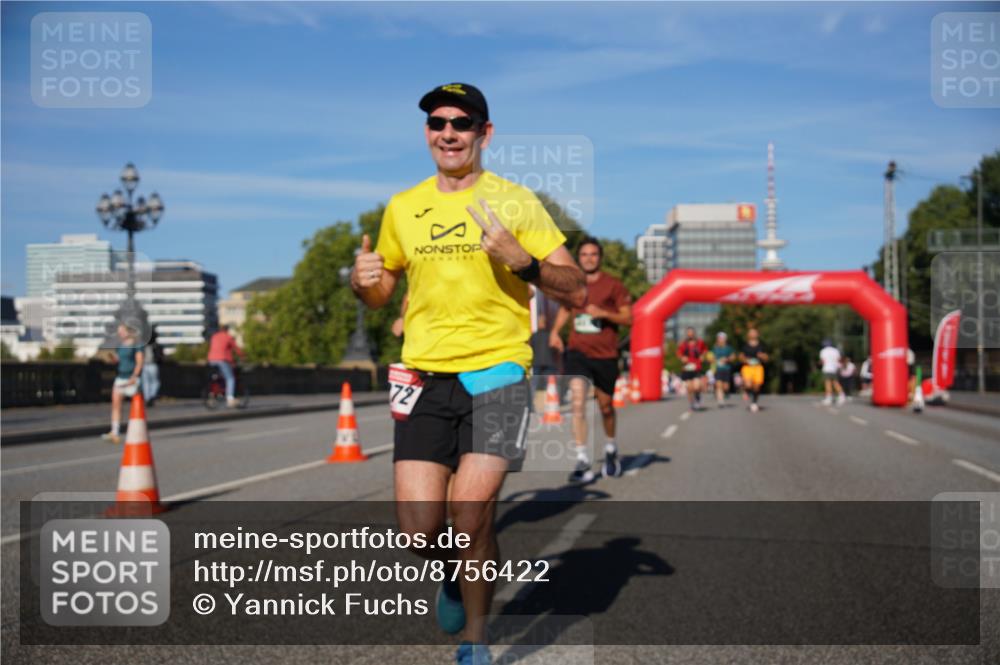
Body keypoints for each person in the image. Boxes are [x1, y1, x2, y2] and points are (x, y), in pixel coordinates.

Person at [350, 82, 585, 665]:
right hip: (424, 377)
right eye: (437, 122)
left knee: (472, 514)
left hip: (498, 373)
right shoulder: (403, 207)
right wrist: (363, 282)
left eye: (461, 122)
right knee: (418, 532)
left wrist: (524, 263)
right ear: (427, 132)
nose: (448, 132)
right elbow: (383, 293)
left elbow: (575, 288)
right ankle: (454, 574)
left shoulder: (516, 202)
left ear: (485, 133)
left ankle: (476, 643)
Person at [549, 237, 632, 483]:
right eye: (584, 254)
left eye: (593, 254)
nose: (589, 259)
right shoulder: (573, 284)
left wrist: (604, 313)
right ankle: (582, 459)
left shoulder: (613, 285)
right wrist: (555, 332)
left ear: (600, 258)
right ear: (578, 258)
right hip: (578, 352)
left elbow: (628, 318)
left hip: (605, 354)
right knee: (578, 403)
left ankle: (610, 447)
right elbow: (565, 308)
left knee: (606, 407)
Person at [101, 323, 144, 444]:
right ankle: (115, 432)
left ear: (128, 331)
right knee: (116, 405)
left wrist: (134, 376)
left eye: (122, 331)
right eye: (119, 331)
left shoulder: (137, 345)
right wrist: (112, 359)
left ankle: (139, 431)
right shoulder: (120, 345)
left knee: (137, 405)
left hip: (132, 378)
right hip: (121, 377)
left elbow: (139, 362)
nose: (120, 333)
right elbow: (119, 360)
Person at [207, 325, 245, 408]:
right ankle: (230, 399)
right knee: (230, 378)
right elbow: (236, 348)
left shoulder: (214, 336)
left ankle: (213, 393)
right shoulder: (227, 337)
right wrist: (243, 355)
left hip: (211, 360)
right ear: (227, 330)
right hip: (222, 360)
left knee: (217, 377)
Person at [677, 327, 707, 411]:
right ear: (687, 334)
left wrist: (703, 356)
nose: (690, 334)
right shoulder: (683, 344)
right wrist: (682, 358)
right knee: (690, 388)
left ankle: (698, 398)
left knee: (697, 387)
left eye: (691, 332)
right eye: (688, 332)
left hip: (697, 367)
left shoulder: (700, 342)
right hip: (687, 368)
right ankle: (692, 404)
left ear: (694, 333)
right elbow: (679, 353)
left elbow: (705, 350)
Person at [739, 327, 769, 413]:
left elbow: (767, 358)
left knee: (757, 386)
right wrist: (745, 360)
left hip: (758, 367)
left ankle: (754, 402)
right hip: (747, 367)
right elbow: (740, 357)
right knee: (748, 385)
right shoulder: (745, 345)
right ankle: (746, 390)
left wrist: (762, 356)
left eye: (754, 332)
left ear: (757, 334)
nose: (753, 334)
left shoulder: (762, 345)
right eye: (751, 332)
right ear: (748, 335)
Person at [711, 332, 734, 407]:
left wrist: (727, 359)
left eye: (722, 338)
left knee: (726, 387)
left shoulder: (728, 348)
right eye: (719, 338)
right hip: (718, 369)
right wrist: (713, 359)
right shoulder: (715, 348)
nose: (721, 340)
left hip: (726, 369)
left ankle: (725, 393)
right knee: (719, 385)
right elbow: (711, 357)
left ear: (725, 339)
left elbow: (733, 357)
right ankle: (720, 400)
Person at [819, 339, 845, 406]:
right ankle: (841, 396)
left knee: (828, 383)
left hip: (827, 368)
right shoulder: (835, 350)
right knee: (835, 383)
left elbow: (823, 361)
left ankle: (829, 398)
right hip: (834, 369)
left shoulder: (823, 351)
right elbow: (839, 360)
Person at [142, 326, 163, 406]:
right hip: (149, 365)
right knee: (152, 382)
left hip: (149, 365)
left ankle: (149, 397)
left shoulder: (146, 346)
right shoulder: (154, 346)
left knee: (148, 382)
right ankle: (150, 397)